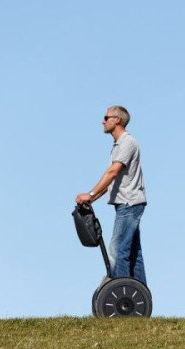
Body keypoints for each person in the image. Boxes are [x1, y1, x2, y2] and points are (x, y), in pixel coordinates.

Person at [75, 106, 148, 285]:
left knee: (117, 250)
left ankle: (120, 292)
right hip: (127, 204)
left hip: (129, 204)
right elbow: (112, 183)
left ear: (117, 120)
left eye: (106, 117)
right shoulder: (118, 145)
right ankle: (139, 294)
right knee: (133, 253)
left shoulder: (127, 142)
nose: (103, 121)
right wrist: (91, 199)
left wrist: (90, 194)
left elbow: (112, 173)